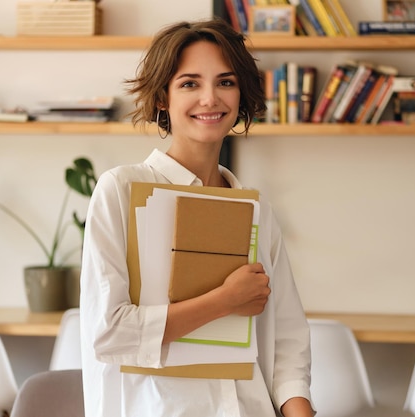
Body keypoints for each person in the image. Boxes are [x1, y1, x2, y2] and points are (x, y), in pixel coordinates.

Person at [79, 17, 314, 417]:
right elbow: (110, 333)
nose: (210, 98)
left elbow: (288, 343)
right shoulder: (120, 190)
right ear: (162, 99)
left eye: (225, 82)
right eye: (190, 83)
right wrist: (225, 300)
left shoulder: (257, 211)